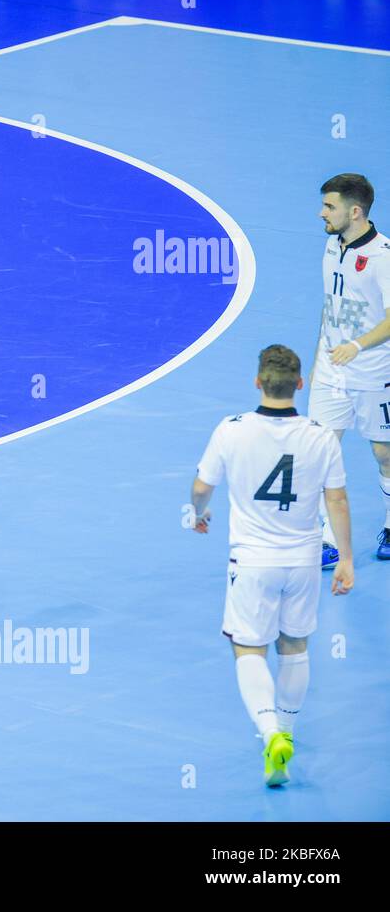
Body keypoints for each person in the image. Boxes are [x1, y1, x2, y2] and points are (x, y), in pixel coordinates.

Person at [191, 345, 355, 787]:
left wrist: (198, 513)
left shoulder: (232, 430)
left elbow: (202, 486)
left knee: (248, 650)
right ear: (300, 384)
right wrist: (344, 558)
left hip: (252, 562)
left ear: (257, 382)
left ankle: (269, 735)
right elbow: (336, 500)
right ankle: (287, 732)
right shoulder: (321, 436)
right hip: (302, 562)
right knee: (294, 648)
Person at [309, 173, 390, 565]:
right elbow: (331, 308)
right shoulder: (330, 246)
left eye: (329, 207)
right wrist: (317, 360)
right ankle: (325, 539)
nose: (321, 213)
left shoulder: (384, 258)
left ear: (355, 212)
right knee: (320, 451)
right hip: (331, 371)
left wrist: (356, 346)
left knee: (384, 453)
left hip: (375, 372)